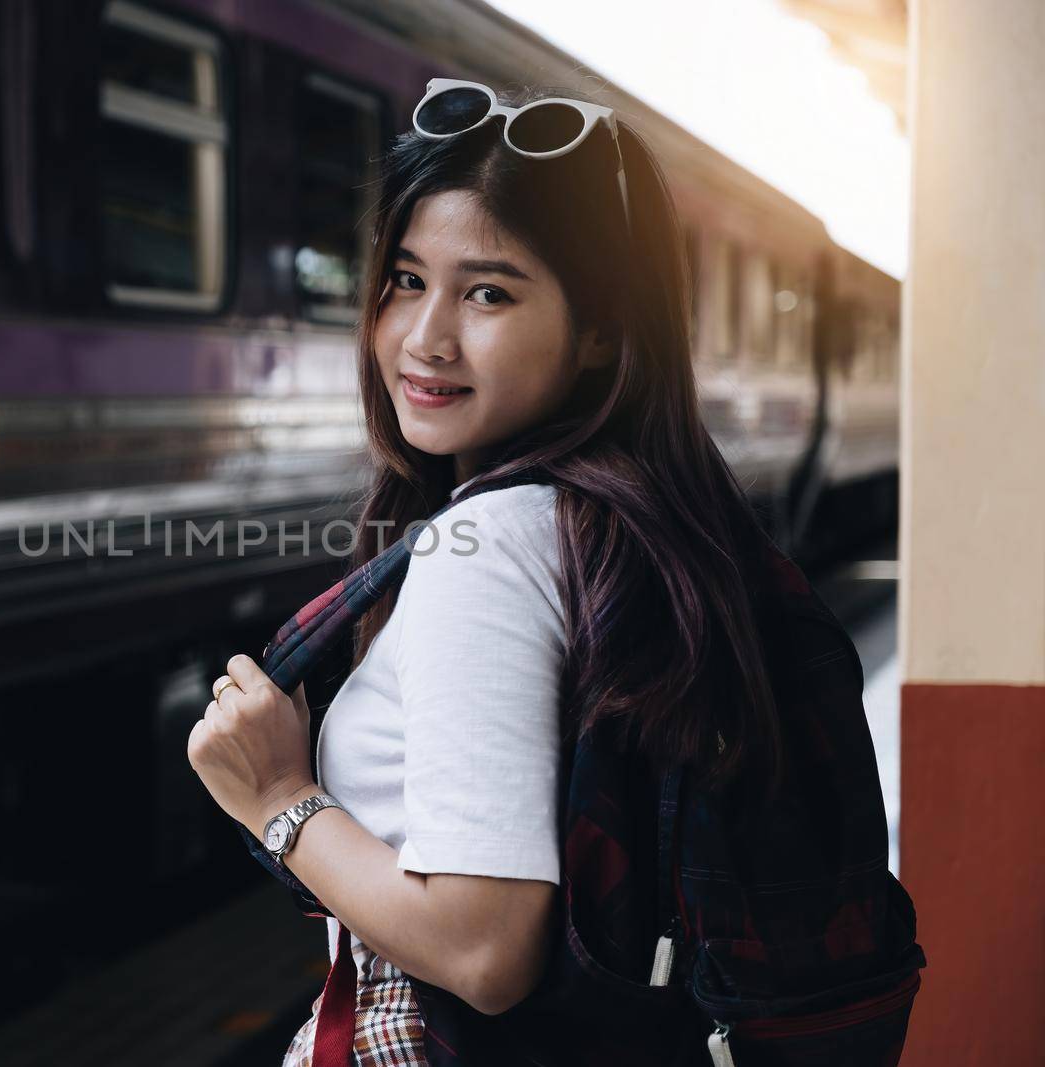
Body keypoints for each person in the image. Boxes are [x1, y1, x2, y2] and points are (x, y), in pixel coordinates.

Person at [187, 79, 785, 1066]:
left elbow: (482, 945)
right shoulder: (646, 515)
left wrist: (278, 799)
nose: (424, 337)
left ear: (600, 330)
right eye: (407, 280)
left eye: (489, 292)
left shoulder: (495, 547)